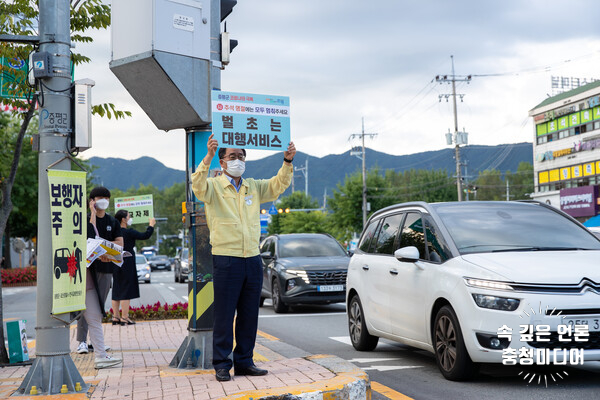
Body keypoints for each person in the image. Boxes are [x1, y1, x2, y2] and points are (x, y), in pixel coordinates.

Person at [191, 134, 295, 382]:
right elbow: (197, 185)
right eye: (232, 156)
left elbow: (277, 185)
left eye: (241, 156)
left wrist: (287, 161)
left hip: (252, 258)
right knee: (225, 314)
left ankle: (245, 361)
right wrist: (207, 158)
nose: (237, 160)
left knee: (250, 313)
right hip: (226, 258)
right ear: (223, 162)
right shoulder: (214, 186)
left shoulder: (253, 187)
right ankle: (222, 364)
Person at [77, 186, 123, 369]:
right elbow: (88, 236)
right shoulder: (85, 219)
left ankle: (98, 348)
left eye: (106, 197)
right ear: (92, 200)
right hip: (87, 271)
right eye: (99, 197)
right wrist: (92, 215)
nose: (103, 200)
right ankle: (82, 341)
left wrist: (102, 246)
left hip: (105, 269)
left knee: (97, 309)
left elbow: (119, 244)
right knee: (86, 309)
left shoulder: (113, 221)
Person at [112, 210, 155, 325]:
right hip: (127, 262)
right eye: (129, 216)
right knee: (126, 290)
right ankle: (124, 318)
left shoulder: (114, 232)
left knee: (116, 289)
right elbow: (145, 235)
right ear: (123, 219)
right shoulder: (129, 232)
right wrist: (151, 225)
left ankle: (115, 317)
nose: (130, 218)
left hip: (115, 261)